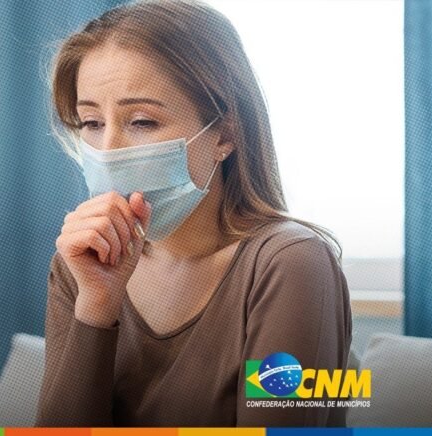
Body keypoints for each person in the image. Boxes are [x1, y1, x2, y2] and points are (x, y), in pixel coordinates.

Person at [35, 0, 352, 427]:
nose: (108, 151)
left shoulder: (292, 263)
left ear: (224, 134)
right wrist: (96, 306)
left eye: (142, 121)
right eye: (92, 122)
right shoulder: (79, 263)